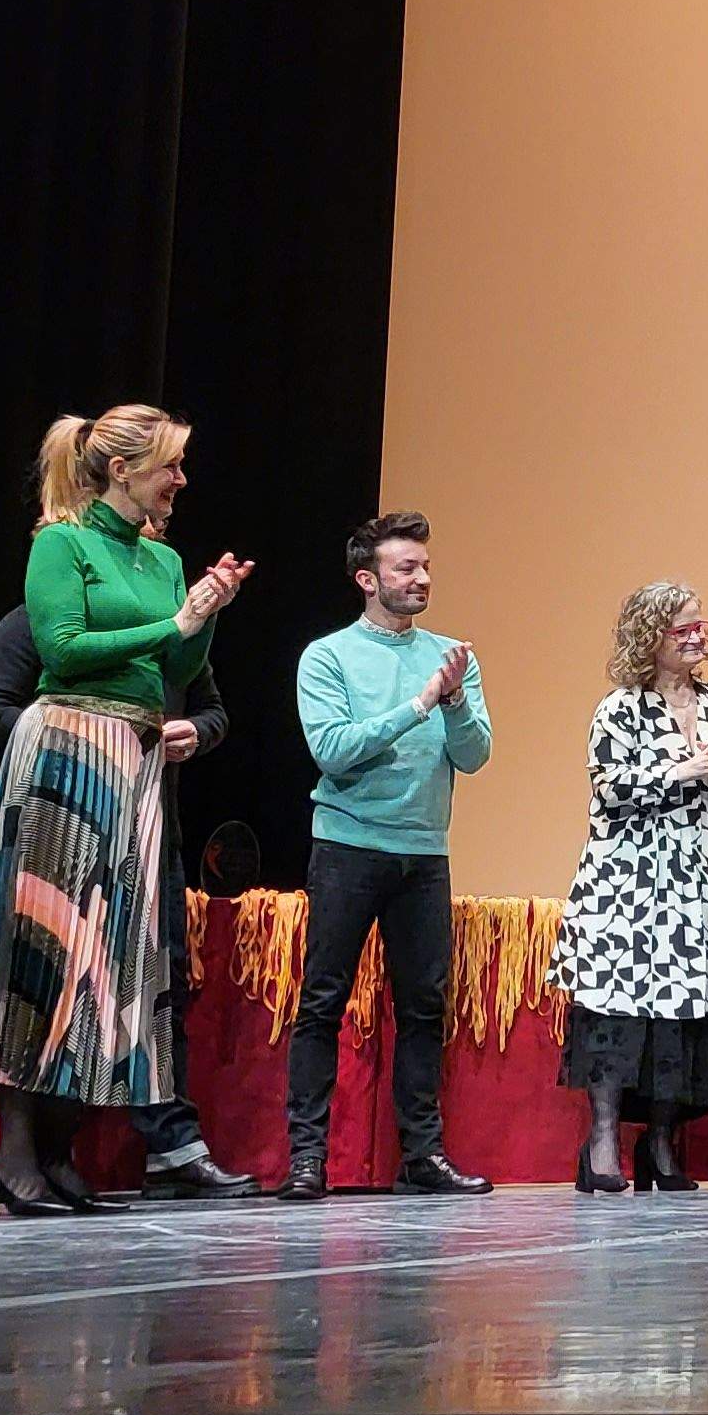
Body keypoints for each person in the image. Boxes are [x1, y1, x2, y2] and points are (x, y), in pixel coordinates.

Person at [0, 408, 251, 1216]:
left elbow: (177, 662)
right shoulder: (61, 543)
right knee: (41, 949)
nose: (180, 480)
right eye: (169, 466)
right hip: (65, 750)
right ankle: (14, 1161)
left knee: (108, 961)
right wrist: (175, 621)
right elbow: (64, 649)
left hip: (134, 761)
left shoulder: (164, 559)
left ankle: (57, 1151)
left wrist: (202, 613)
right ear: (120, 469)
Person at [0, 583, 247, 1200]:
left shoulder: (174, 635)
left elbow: (212, 710)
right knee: (38, 985)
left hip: (145, 833)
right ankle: (16, 1159)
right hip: (55, 825)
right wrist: (88, 740)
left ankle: (68, 1153)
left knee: (120, 987)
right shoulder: (36, 622)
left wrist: (196, 733)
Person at [282, 512, 494, 1201]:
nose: (422, 578)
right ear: (368, 579)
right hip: (347, 847)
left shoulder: (450, 655)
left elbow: (475, 755)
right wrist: (419, 703)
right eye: (407, 568)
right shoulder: (328, 656)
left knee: (424, 1008)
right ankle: (308, 1157)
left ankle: (423, 1157)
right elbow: (335, 750)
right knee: (323, 1002)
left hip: (423, 853)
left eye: (425, 566)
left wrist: (454, 701)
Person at [549, 582, 708, 1193]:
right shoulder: (619, 707)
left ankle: (663, 1145)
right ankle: (603, 1144)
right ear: (651, 640)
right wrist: (682, 768)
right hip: (627, 883)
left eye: (702, 625)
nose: (698, 637)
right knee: (618, 1010)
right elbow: (609, 789)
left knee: (685, 1012)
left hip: (697, 878)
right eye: (683, 629)